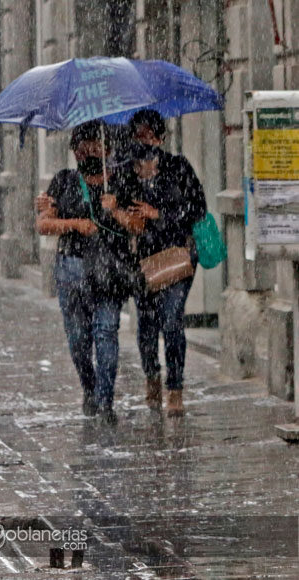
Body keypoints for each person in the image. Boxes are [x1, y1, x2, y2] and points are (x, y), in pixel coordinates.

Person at [36, 120, 144, 425]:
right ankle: (89, 386)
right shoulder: (64, 181)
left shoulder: (121, 181)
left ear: (108, 148)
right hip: (72, 267)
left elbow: (138, 226)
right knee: (79, 338)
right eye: (81, 149)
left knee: (106, 332)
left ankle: (105, 400)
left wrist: (116, 211)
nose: (88, 153)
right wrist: (75, 225)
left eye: (94, 146)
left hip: (110, 269)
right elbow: (44, 224)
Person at [125, 110, 208, 416]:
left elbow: (197, 209)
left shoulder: (178, 167)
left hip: (176, 257)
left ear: (160, 138)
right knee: (146, 326)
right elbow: (116, 216)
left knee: (172, 321)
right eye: (138, 135)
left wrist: (157, 214)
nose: (144, 141)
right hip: (141, 261)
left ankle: (175, 387)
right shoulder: (124, 174)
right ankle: (152, 378)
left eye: (150, 135)